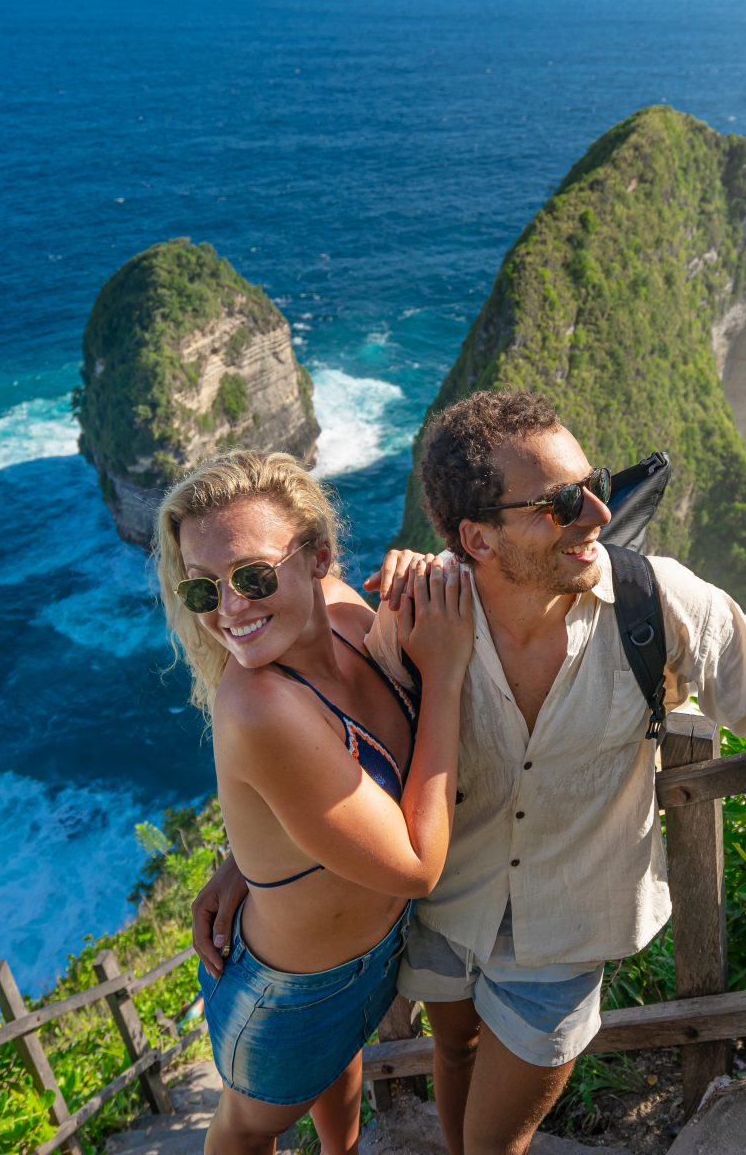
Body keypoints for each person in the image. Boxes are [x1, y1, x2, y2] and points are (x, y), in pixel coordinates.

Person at [195, 395, 746, 1155]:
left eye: (595, 486)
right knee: (454, 1051)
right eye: (558, 504)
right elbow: (340, 757)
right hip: (448, 911)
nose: (597, 515)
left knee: (494, 1145)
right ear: (476, 537)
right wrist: (249, 863)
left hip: (567, 927)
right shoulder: (415, 612)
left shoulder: (652, 602)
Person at [155, 450, 473, 1155]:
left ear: (319, 557)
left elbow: (324, 804)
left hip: (377, 950)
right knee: (243, 1130)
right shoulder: (259, 705)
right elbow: (418, 864)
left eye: (254, 576)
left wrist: (250, 859)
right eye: (203, 591)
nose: (230, 609)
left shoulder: (347, 617)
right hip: (293, 994)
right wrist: (444, 676)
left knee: (342, 1075)